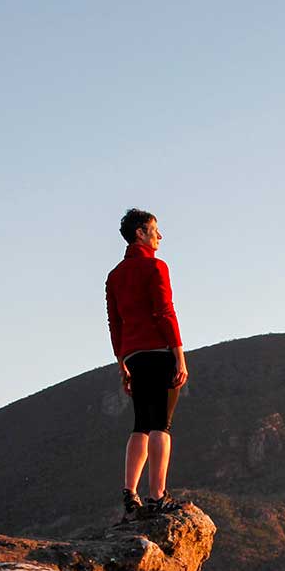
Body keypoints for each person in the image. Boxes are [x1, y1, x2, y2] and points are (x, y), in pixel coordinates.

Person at [106, 208, 189, 520]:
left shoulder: (114, 276)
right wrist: (179, 356)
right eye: (155, 229)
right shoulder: (155, 267)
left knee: (140, 424)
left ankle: (131, 494)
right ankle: (157, 496)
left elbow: (115, 323)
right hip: (159, 351)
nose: (160, 236)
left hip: (133, 356)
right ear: (141, 232)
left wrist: (122, 362)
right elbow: (165, 311)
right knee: (160, 425)